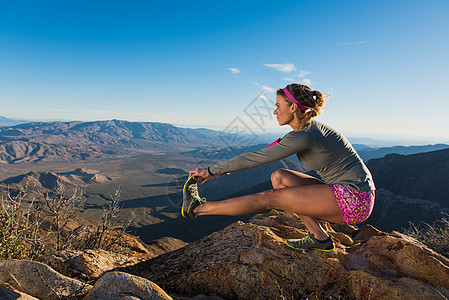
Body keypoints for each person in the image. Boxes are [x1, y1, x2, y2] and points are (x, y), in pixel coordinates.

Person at [182, 83, 375, 252]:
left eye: (277, 106)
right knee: (280, 177)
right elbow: (268, 151)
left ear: (292, 107)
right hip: (350, 193)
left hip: (354, 200)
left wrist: (211, 171)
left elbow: (256, 158)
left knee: (267, 198)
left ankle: (198, 209)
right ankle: (320, 239)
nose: (274, 112)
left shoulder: (305, 135)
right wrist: (221, 170)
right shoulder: (306, 130)